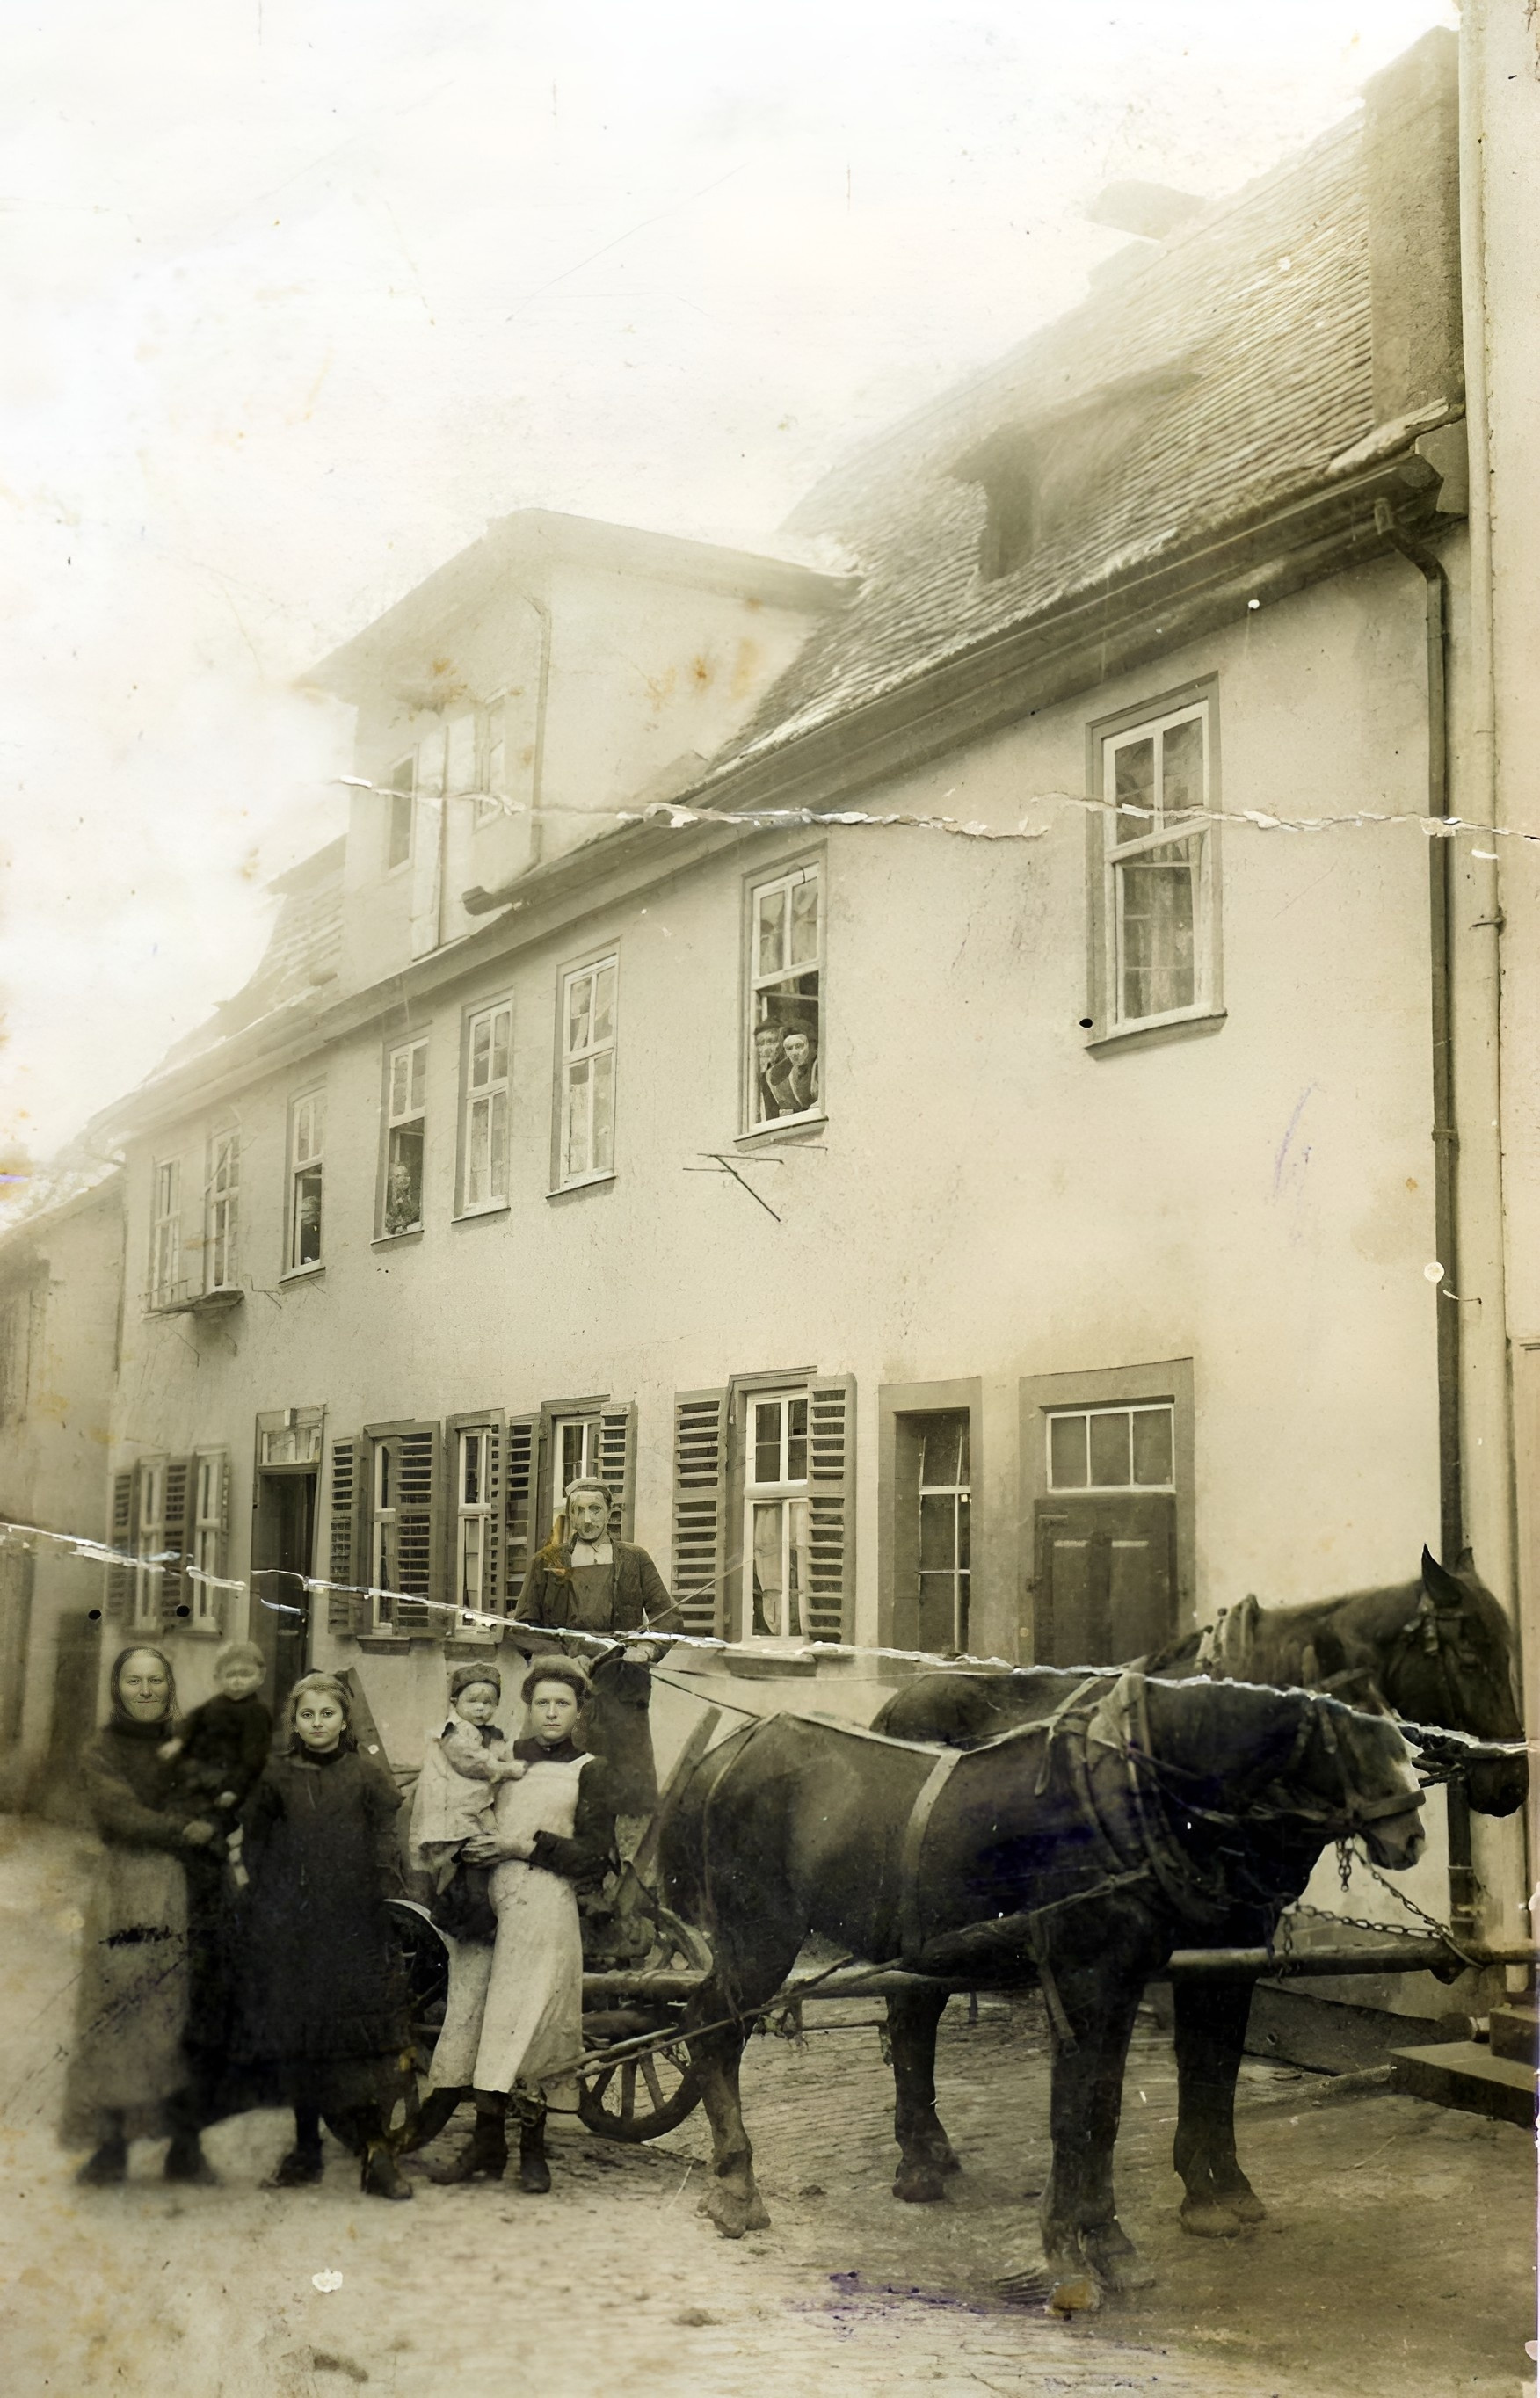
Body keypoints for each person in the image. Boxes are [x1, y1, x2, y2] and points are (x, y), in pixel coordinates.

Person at [422, 1657, 617, 2195]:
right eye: (542, 1703)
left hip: (544, 1903)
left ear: (579, 1711)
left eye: (563, 1703)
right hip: (489, 1901)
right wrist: (470, 1848)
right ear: (527, 1709)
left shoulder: (589, 1769)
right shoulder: (500, 1759)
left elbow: (594, 1857)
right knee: (483, 2014)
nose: (552, 1713)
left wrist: (518, 1846)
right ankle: (487, 2145)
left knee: (530, 2020)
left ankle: (533, 2152)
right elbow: (458, 1807)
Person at [232, 1672, 414, 2201]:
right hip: (295, 1928)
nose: (317, 1724)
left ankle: (378, 2155)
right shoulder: (275, 1776)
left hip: (355, 1925)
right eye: (307, 1715)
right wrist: (270, 1902)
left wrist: (379, 1889)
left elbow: (386, 1837)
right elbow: (255, 1846)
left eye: (327, 1714)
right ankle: (305, 2150)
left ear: (343, 1718)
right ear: (295, 1720)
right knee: (302, 2038)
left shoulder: (364, 1774)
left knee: (366, 2041)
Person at [60, 1645, 221, 2187]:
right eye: (134, 1681)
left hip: (191, 1890)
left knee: (185, 2017)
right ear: (117, 1688)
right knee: (117, 2012)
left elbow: (211, 1802)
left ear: (169, 1686)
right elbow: (119, 1814)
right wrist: (181, 1827)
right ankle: (111, 2147)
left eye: (155, 1681)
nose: (146, 1691)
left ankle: (185, 2146)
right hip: (126, 1889)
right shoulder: (100, 1751)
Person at [512, 1475, 680, 1841]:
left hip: (622, 1681)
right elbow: (522, 1627)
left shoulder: (634, 1559)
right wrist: (562, 1661)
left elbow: (668, 1617)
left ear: (610, 1513)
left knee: (624, 1786)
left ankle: (623, 1856)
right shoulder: (548, 1560)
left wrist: (647, 1648)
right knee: (562, 1782)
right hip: (568, 1684)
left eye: (595, 1510)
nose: (587, 1520)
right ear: (569, 1515)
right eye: (578, 1511)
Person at [409, 1663, 527, 1936]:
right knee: (474, 1860)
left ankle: (465, 1914)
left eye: (489, 1702)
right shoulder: (453, 1732)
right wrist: (506, 1769)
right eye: (473, 1701)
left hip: (470, 1809)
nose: (481, 1709)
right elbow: (471, 1761)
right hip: (452, 1812)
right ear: (454, 1701)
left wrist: (518, 1758)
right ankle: (459, 1917)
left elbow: (502, 1751)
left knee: (476, 1863)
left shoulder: (486, 1733)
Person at [158, 1640, 272, 1817]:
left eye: (246, 1674)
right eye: (230, 1675)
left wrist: (234, 1789)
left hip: (226, 1777)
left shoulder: (256, 1712)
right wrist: (178, 1741)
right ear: (217, 1678)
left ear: (261, 1676)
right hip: (197, 1768)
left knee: (207, 1817)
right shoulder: (215, 1703)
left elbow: (253, 1759)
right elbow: (191, 1720)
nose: (237, 1681)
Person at [768, 1023, 818, 1116]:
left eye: (799, 1046)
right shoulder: (791, 1074)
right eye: (790, 1048)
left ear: (808, 1045)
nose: (795, 1053)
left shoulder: (818, 1065)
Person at [752, 1020, 786, 1123]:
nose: (766, 1048)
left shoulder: (789, 1070)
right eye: (761, 1044)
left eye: (771, 1041)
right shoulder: (763, 1076)